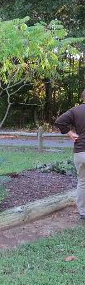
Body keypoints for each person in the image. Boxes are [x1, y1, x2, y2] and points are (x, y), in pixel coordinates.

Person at [55, 90, 85, 219]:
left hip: (80, 152)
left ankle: (83, 212)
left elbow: (59, 121)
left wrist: (70, 133)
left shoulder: (76, 111)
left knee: (82, 181)